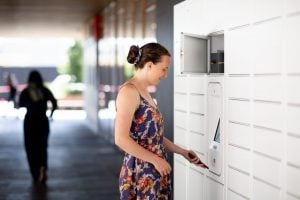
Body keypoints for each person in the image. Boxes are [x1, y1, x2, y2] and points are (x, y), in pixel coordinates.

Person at [115, 43, 208, 199]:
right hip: (140, 171)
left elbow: (153, 137)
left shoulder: (144, 92)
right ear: (150, 65)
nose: (165, 75)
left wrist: (182, 152)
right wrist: (155, 160)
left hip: (155, 168)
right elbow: (120, 139)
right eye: (164, 69)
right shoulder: (129, 92)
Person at [18, 70, 57, 184]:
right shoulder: (44, 90)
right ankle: (43, 167)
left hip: (30, 122)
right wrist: (50, 115)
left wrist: (30, 104)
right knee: (42, 148)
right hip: (43, 122)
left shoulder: (26, 91)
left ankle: (35, 174)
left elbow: (20, 104)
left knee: (30, 148)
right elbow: (54, 102)